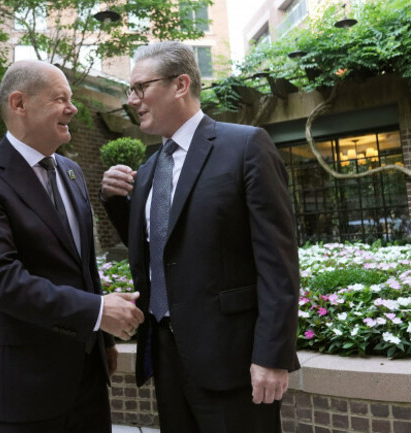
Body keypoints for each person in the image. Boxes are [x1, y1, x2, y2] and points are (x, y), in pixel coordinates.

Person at [101, 42, 301, 433]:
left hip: (234, 360)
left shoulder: (245, 146)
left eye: (141, 87)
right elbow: (160, 245)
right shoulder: (148, 168)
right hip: (166, 357)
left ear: (181, 84)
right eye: (130, 90)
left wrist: (272, 356)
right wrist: (113, 201)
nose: (132, 100)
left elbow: (278, 261)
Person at [0, 60, 144, 433]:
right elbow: (0, 280)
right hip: (22, 387)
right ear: (19, 104)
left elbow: (83, 268)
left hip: (87, 378)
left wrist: (102, 338)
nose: (72, 109)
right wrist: (96, 310)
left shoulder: (72, 173)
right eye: (60, 99)